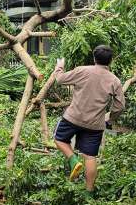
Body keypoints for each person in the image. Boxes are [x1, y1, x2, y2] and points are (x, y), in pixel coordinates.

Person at [52, 44, 125, 191]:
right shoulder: (114, 80)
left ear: (94, 58)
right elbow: (120, 106)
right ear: (110, 61)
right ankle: (89, 192)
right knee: (90, 157)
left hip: (73, 118)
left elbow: (59, 80)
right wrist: (110, 118)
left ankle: (73, 159)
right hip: (95, 124)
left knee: (59, 139)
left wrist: (59, 66)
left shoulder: (82, 70)